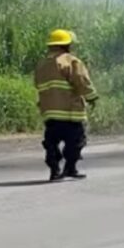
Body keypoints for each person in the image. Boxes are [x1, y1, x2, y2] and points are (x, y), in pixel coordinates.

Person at [34, 29, 98, 181]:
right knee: (76, 142)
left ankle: (55, 171)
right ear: (67, 45)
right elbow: (81, 81)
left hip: (50, 114)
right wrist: (92, 97)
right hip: (71, 113)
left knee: (51, 143)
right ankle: (70, 168)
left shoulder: (41, 65)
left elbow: (37, 84)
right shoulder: (71, 61)